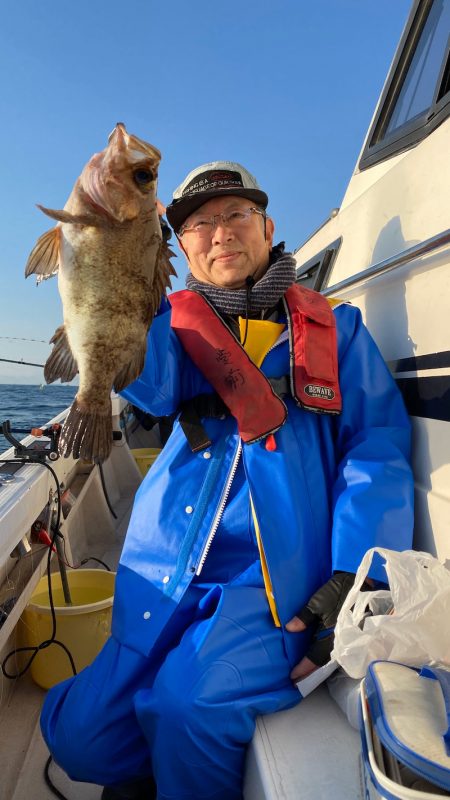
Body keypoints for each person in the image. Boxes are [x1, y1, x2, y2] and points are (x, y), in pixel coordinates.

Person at [41, 161, 414, 800]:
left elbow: (374, 452)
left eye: (236, 215)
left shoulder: (338, 330)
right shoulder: (170, 327)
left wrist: (355, 575)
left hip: (269, 580)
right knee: (79, 735)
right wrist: (121, 264)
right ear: (179, 248)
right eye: (200, 225)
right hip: (168, 563)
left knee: (190, 708)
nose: (220, 233)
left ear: (268, 227)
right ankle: (151, 763)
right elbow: (151, 384)